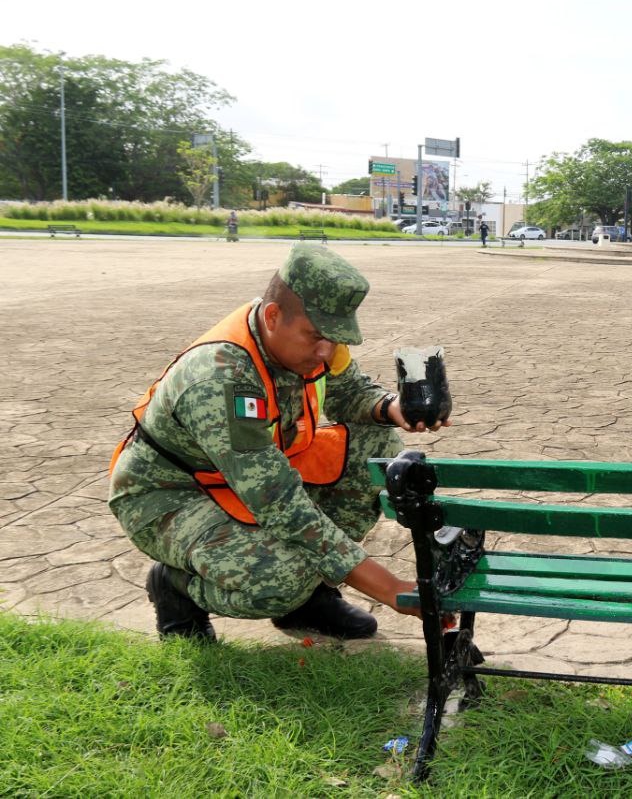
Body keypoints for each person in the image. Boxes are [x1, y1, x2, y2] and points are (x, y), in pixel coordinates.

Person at [108, 244, 447, 640]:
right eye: (316, 337)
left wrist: (391, 408)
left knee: (376, 445)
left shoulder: (313, 341)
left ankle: (312, 597)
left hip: (249, 478)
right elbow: (279, 503)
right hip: (170, 495)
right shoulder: (220, 379)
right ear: (273, 316)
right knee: (280, 580)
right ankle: (176, 588)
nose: (327, 352)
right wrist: (393, 590)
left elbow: (348, 390)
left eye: (335, 340)